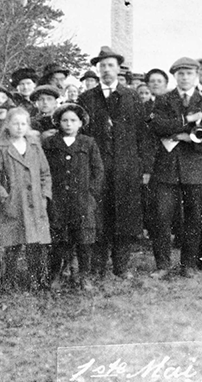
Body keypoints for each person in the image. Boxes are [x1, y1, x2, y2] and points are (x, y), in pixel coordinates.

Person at [78, 46, 149, 280]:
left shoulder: (131, 96)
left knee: (125, 216)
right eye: (102, 66)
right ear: (97, 70)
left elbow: (142, 134)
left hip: (126, 167)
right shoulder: (86, 98)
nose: (106, 70)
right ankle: (98, 265)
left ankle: (121, 266)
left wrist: (143, 167)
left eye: (110, 65)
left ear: (119, 69)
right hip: (97, 167)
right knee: (99, 216)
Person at [147, 57, 202, 278]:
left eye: (189, 73)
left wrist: (188, 137)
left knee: (193, 217)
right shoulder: (161, 100)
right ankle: (162, 265)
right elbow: (156, 126)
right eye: (180, 74)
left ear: (196, 75)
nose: (185, 77)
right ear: (175, 76)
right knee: (161, 216)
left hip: (196, 168)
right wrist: (188, 119)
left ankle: (188, 265)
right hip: (166, 167)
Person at [0, 107, 52, 292]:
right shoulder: (1, 147)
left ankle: (37, 281)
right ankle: (7, 282)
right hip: (13, 204)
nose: (19, 127)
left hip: (35, 204)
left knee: (36, 245)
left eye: (23, 123)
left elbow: (45, 173)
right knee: (11, 245)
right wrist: (4, 197)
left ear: (28, 126)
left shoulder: (34, 146)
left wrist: (44, 196)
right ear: (7, 125)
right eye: (15, 123)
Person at [43, 104, 104, 291]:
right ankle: (56, 275)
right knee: (59, 239)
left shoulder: (88, 142)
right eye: (64, 121)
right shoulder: (51, 143)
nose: (68, 124)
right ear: (58, 123)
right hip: (58, 200)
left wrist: (91, 195)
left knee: (84, 239)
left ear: (80, 123)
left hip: (82, 200)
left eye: (73, 121)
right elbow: (44, 170)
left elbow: (98, 171)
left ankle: (84, 276)